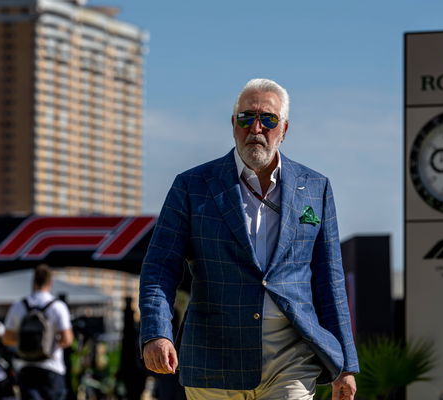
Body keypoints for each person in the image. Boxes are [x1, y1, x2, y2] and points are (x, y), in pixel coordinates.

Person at [139, 78, 359, 400]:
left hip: (291, 357)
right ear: (233, 124)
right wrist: (157, 333)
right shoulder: (192, 186)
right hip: (214, 357)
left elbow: (330, 280)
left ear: (284, 129)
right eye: (246, 117)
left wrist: (345, 364)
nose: (256, 127)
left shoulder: (316, 188)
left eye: (268, 119)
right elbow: (160, 266)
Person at [3, 264, 73, 400]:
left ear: (33, 281)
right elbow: (67, 340)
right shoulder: (57, 306)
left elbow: (7, 339)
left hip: (26, 367)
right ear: (51, 282)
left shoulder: (19, 306)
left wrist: (25, 341)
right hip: (52, 367)